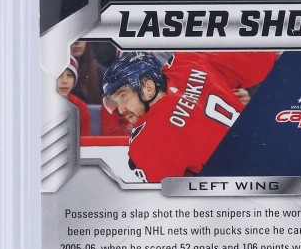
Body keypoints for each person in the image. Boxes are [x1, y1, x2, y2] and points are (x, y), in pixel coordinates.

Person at [102, 51, 276, 182]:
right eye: (116, 102)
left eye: (123, 96)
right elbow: (262, 59)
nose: (121, 109)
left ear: (148, 88)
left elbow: (166, 207)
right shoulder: (187, 62)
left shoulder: (148, 142)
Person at [56, 57, 91, 136]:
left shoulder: (80, 106)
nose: (65, 81)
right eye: (59, 75)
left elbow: (84, 138)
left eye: (70, 75)